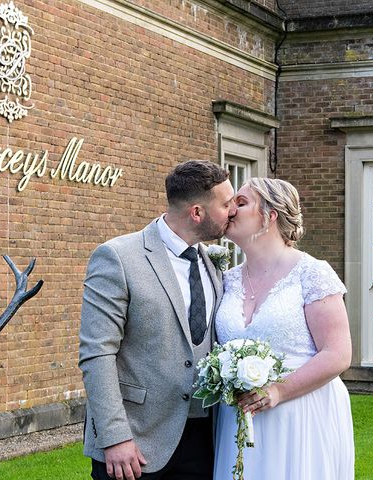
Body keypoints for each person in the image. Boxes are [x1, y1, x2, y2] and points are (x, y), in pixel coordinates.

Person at [79, 160, 237, 480]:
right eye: (226, 204)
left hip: (204, 440)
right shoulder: (118, 257)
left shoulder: (213, 264)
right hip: (136, 444)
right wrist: (115, 437)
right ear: (197, 212)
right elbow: (97, 353)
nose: (233, 211)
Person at [213, 177, 354, 479]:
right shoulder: (226, 280)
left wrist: (278, 391)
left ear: (269, 215)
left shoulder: (312, 273)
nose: (230, 210)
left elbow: (338, 354)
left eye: (241, 202)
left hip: (301, 415)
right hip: (238, 417)